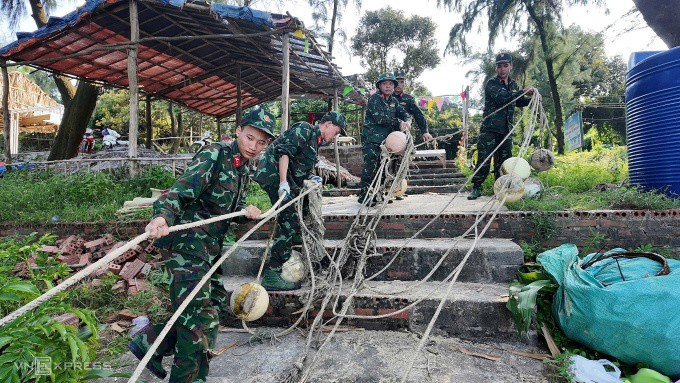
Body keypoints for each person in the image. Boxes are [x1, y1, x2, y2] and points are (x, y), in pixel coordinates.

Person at [128, 108, 275, 381]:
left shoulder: (242, 168)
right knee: (198, 320)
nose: (254, 147)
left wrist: (247, 214)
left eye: (261, 143)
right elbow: (179, 190)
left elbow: (224, 210)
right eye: (250, 138)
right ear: (238, 131)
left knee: (214, 306)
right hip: (187, 246)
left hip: (208, 249)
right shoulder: (215, 154)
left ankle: (151, 342)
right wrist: (162, 216)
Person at [253, 111, 347, 291]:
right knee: (287, 220)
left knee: (302, 210)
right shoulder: (305, 129)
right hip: (274, 176)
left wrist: (313, 177)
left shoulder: (315, 142)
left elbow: (303, 168)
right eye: (336, 132)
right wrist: (282, 182)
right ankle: (272, 273)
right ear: (327, 124)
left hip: (289, 181)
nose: (335, 137)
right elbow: (284, 154)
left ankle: (293, 236)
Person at [468, 53, 533, 200]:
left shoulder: (514, 85)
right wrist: (523, 92)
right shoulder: (491, 84)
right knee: (484, 159)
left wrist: (531, 99)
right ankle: (476, 187)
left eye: (505, 65)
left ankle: (500, 188)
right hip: (490, 129)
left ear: (510, 66)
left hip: (506, 129)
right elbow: (503, 99)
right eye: (499, 66)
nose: (502, 69)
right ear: (496, 68)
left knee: (504, 161)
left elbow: (518, 101)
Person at [359, 72, 411, 206]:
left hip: (386, 141)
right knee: (370, 166)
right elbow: (380, 119)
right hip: (371, 139)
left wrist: (407, 120)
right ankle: (364, 195)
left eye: (390, 84)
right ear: (379, 86)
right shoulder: (374, 99)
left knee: (384, 167)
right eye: (384, 84)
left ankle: (378, 194)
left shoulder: (393, 101)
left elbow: (403, 112)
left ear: (394, 86)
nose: (388, 87)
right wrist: (399, 122)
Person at [393, 71, 433, 199]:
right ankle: (384, 190)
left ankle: (398, 190)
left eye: (402, 81)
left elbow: (419, 115)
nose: (399, 84)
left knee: (402, 162)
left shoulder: (409, 99)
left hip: (403, 135)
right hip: (388, 134)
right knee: (386, 162)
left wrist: (425, 131)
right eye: (397, 81)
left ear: (405, 83)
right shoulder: (385, 97)